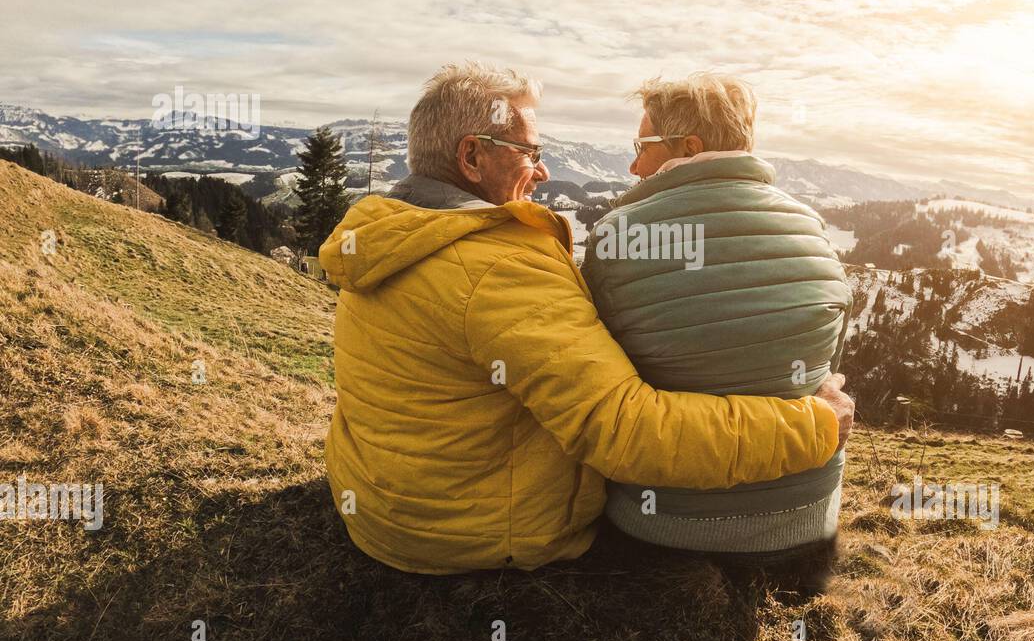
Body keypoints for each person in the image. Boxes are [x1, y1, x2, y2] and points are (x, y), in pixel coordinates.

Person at [318, 62, 854, 574]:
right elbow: (627, 431)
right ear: (473, 158)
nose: (544, 170)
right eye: (530, 152)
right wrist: (817, 424)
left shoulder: (390, 235)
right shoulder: (498, 271)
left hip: (382, 509)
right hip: (469, 536)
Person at [581, 73, 852, 581]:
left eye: (641, 146)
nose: (633, 164)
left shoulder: (619, 238)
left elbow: (599, 382)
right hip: (806, 523)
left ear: (689, 147)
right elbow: (828, 367)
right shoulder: (813, 229)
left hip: (663, 527)